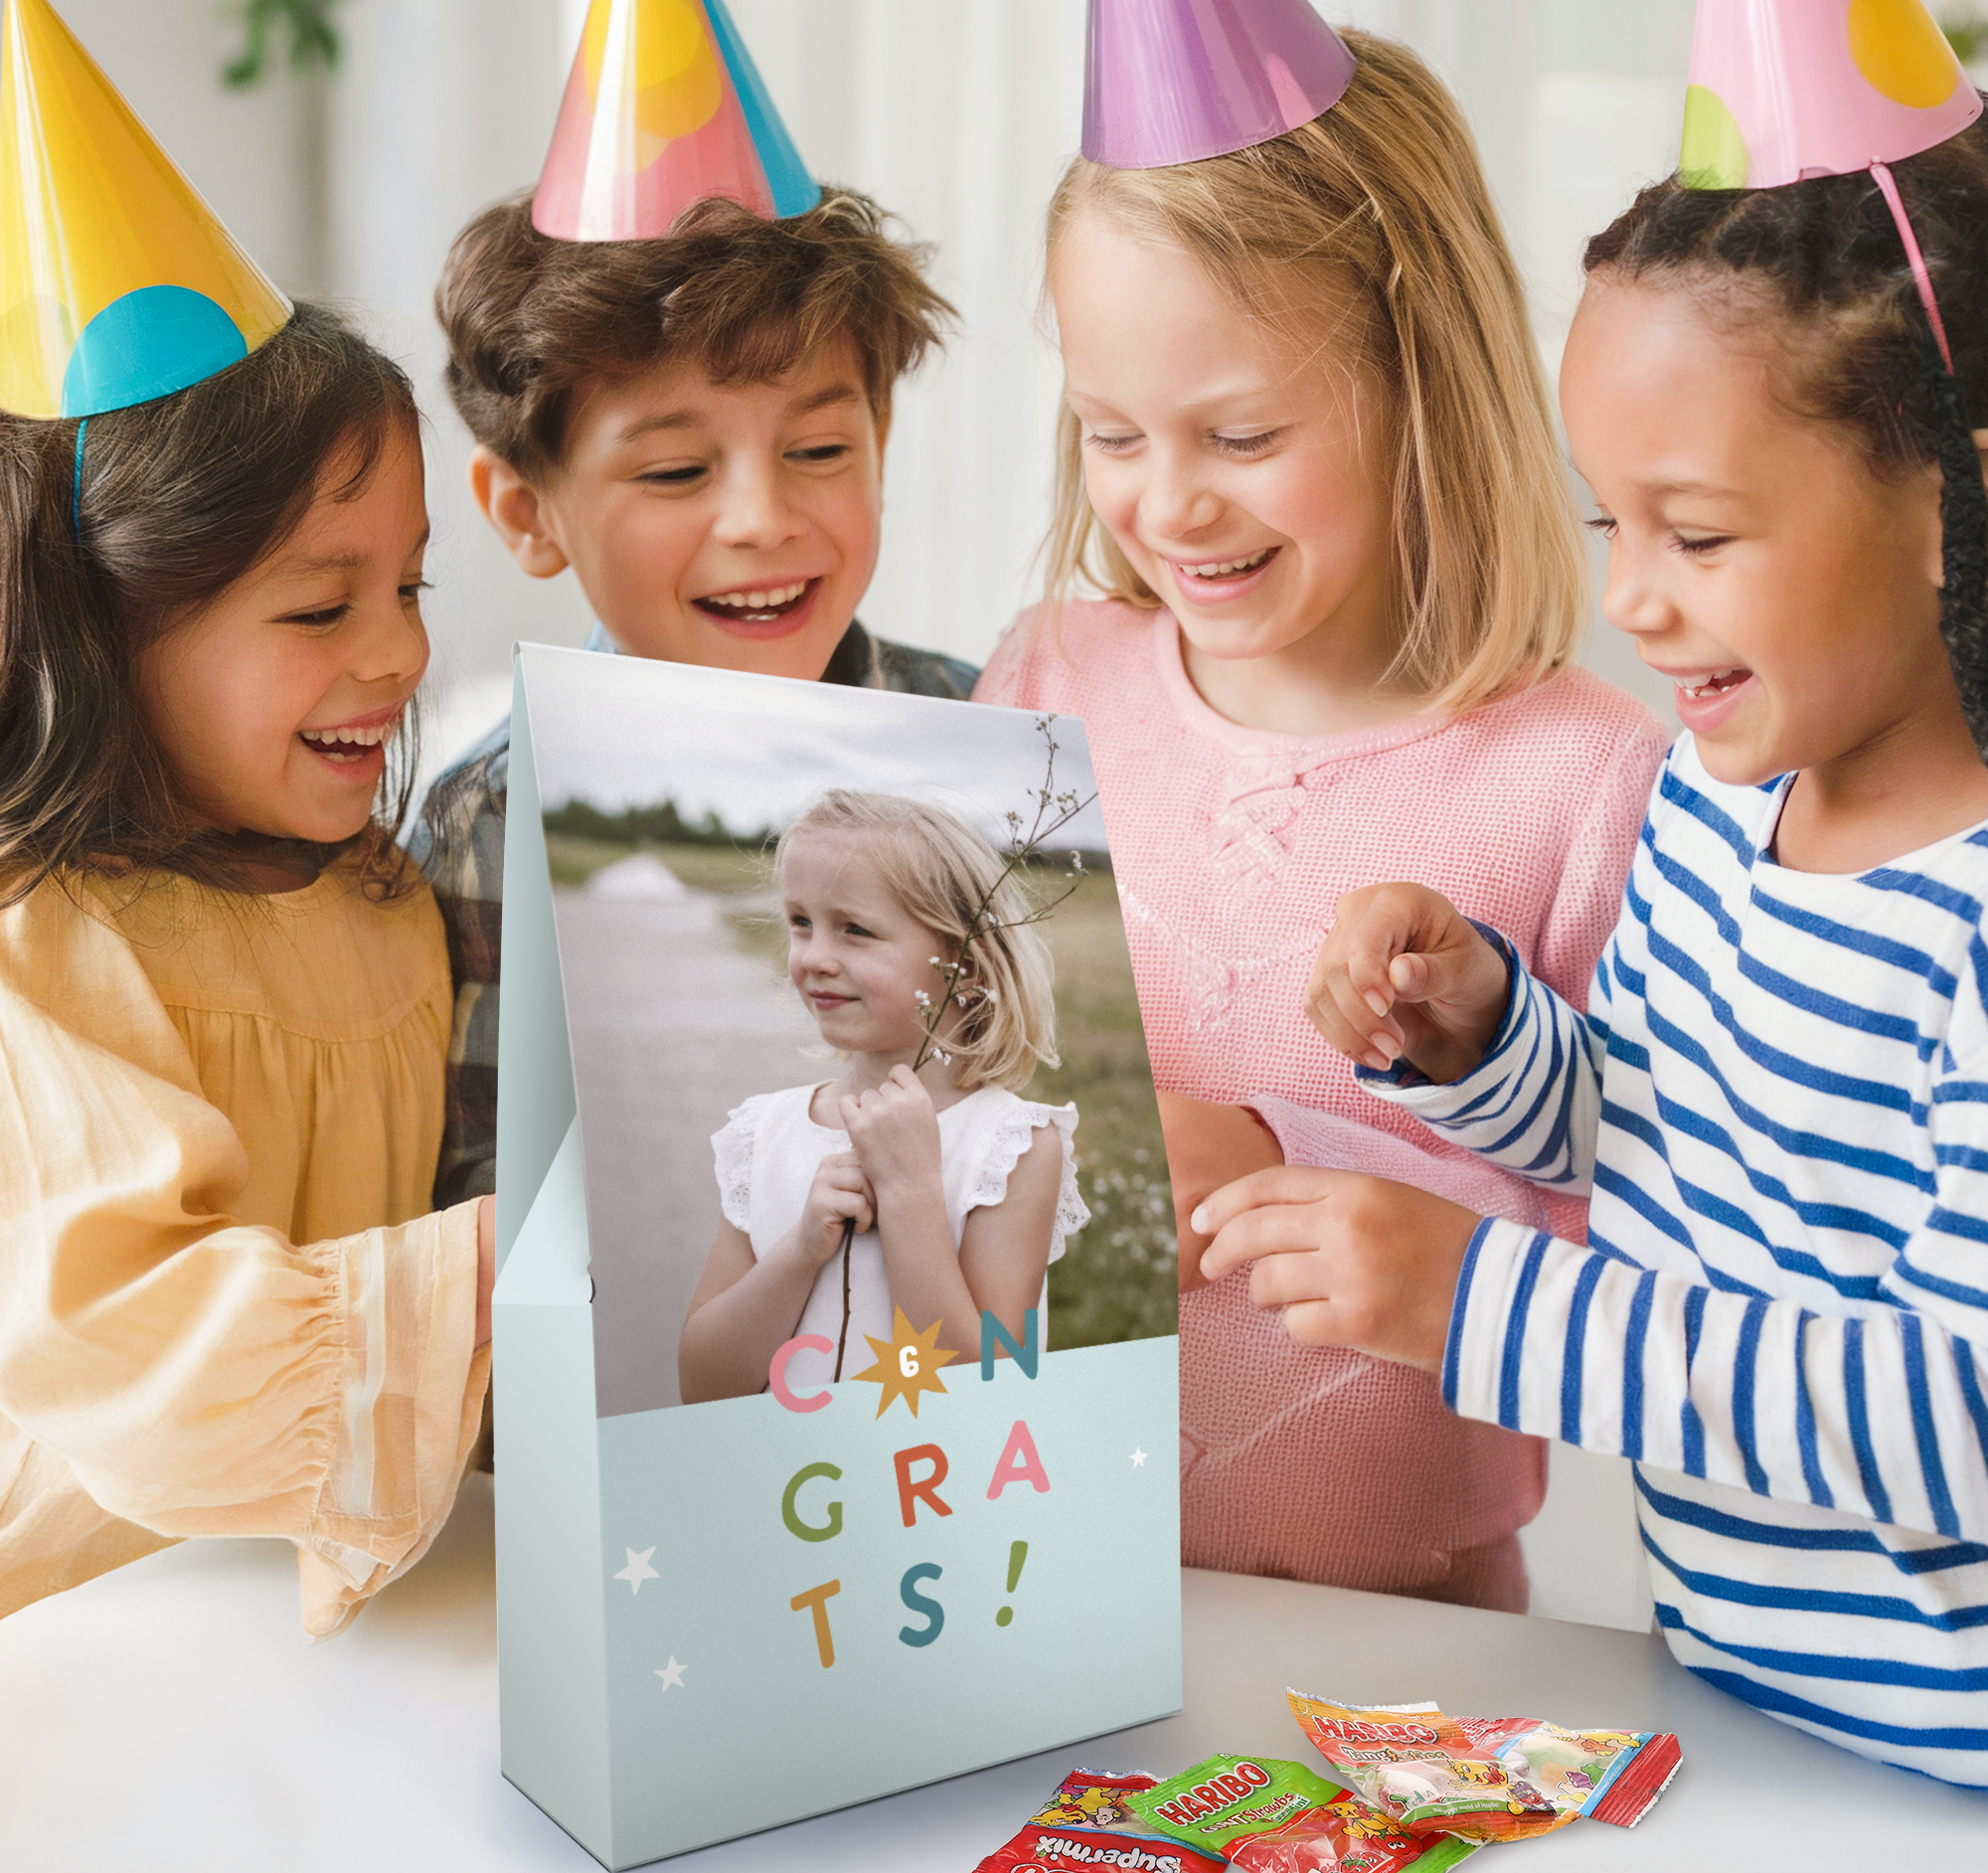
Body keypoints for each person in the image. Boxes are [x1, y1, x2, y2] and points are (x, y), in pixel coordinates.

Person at [1271, 69, 1988, 1781]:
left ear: (1954, 506)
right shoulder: (1715, 800)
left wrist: (1485, 1309)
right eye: (1612, 519)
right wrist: (1484, 1039)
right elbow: (1657, 1130)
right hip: (1746, 1703)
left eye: (1701, 533)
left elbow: (1958, 1416)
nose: (1630, 598)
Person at [974, 21, 1668, 1609]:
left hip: (1409, 1636)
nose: (1167, 503)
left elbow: (1647, 1236)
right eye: (1111, 432)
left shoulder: (1584, 776)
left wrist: (1285, 1153)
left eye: (1242, 435)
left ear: (1418, 386)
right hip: (1030, 1589)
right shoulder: (1044, 682)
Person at [415, 0, 969, 1211]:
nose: (761, 518)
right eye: (674, 471)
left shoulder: (985, 722)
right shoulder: (487, 824)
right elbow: (475, 1194)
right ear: (528, 513)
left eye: (819, 449)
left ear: (879, 441)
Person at [0, 306, 494, 1638]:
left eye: (410, 588)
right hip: (89, 1633)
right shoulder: (45, 943)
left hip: (345, 1631)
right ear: (108, 631)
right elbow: (131, 1341)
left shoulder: (388, 902)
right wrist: (487, 1268)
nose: (400, 653)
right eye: (323, 606)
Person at [679, 790, 1087, 1404]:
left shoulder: (1011, 1148)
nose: (815, 957)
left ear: (966, 964)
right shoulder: (763, 1133)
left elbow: (996, 1395)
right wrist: (800, 1251)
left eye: (856, 930)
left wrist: (910, 1195)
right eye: (800, 922)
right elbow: (702, 1388)